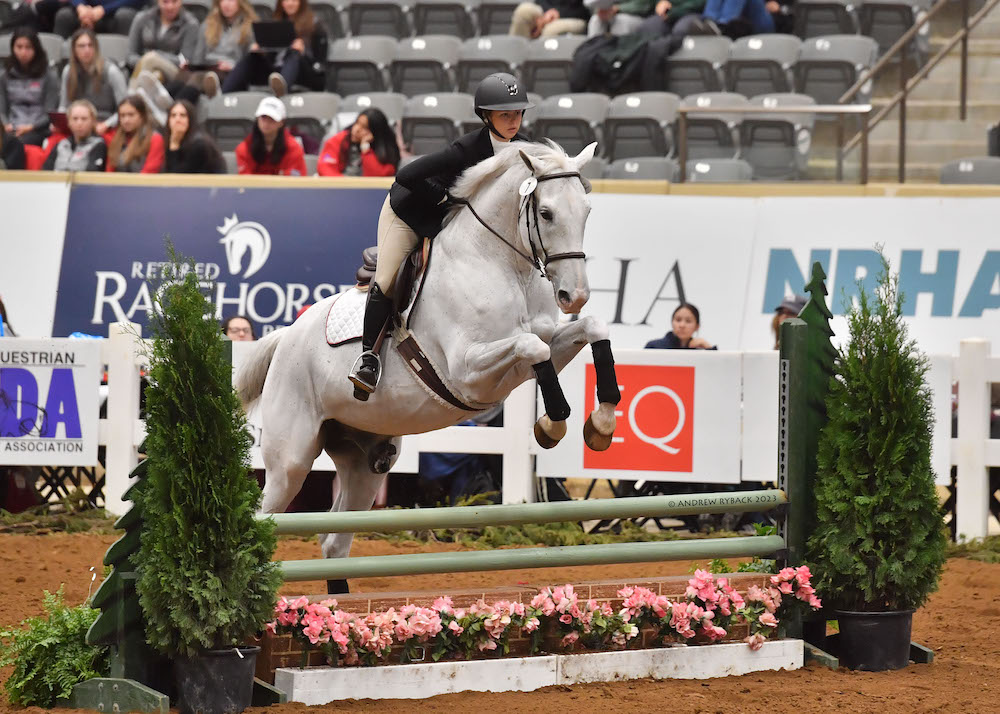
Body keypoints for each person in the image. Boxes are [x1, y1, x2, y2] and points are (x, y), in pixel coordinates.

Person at [348, 72, 533, 395]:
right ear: (486, 117)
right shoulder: (466, 148)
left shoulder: (523, 148)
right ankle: (368, 359)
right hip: (410, 213)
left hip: (457, 225)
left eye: (517, 113)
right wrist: (446, 198)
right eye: (505, 114)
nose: (513, 121)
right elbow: (407, 175)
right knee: (388, 279)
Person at [221, 0, 328, 97]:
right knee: (252, 56)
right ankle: (223, 94)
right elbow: (272, 58)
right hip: (277, 71)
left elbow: (319, 63)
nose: (290, 3)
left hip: (305, 72)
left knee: (293, 53)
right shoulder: (275, 22)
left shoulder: (315, 25)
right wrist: (262, 49)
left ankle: (280, 92)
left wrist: (303, 52)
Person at [60, 29, 128, 136]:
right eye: (81, 46)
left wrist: (107, 124)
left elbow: (125, 110)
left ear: (96, 48)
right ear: (74, 50)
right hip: (78, 125)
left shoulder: (111, 71)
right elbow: (64, 106)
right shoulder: (68, 71)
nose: (86, 50)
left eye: (90, 45)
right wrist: (60, 123)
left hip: (104, 125)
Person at [0, 28, 60, 147]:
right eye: (19, 47)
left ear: (35, 49)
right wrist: (6, 125)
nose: (23, 52)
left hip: (38, 129)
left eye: (28, 47)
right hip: (11, 127)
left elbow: (50, 112)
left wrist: (31, 127)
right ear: (13, 48)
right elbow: (2, 108)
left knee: (17, 144)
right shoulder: (4, 75)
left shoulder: (49, 75)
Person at [197, 0, 260, 98]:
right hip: (209, 67)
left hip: (231, 72)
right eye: (222, 0)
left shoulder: (250, 26)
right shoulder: (208, 24)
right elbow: (198, 57)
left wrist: (233, 67)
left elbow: (250, 62)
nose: (226, 4)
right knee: (185, 77)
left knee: (200, 78)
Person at [127, 0, 200, 82]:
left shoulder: (190, 24)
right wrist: (145, 61)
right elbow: (131, 56)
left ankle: (133, 92)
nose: (170, 7)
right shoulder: (142, 18)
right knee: (155, 74)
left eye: (174, 1)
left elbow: (185, 61)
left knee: (151, 59)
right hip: (143, 68)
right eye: (165, 2)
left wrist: (155, 56)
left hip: (174, 73)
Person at [235, 96, 307, 175]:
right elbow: (245, 181)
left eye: (272, 118)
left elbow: (296, 181)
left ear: (281, 122)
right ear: (257, 119)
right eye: (263, 117)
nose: (266, 123)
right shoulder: (244, 148)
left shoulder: (294, 148)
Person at [317, 108, 399, 177]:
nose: (356, 129)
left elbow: (376, 178)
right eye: (357, 123)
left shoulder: (387, 151)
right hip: (340, 190)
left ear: (375, 133)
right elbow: (325, 168)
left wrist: (366, 150)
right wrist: (346, 185)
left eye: (364, 127)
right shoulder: (340, 139)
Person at [161, 98, 225, 173]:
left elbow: (178, 176)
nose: (177, 119)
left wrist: (174, 145)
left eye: (183, 115)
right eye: (173, 115)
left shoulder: (200, 144)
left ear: (190, 120)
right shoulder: (169, 140)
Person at [42, 98, 107, 170]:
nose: (79, 123)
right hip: (56, 181)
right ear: (68, 122)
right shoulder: (61, 144)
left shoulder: (98, 145)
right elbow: (45, 171)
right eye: (75, 119)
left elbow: (93, 173)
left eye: (84, 119)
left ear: (93, 121)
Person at [107, 95, 165, 172]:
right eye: (122, 116)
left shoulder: (155, 139)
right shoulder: (115, 138)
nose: (126, 120)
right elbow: (109, 171)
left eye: (131, 115)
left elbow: (150, 171)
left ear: (142, 116)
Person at [50, 0, 144, 38]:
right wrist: (81, 7)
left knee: (124, 16)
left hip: (114, 13)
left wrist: (104, 10)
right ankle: (58, 65)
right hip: (87, 11)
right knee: (64, 16)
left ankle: (125, 66)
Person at [645, 302, 716, 350]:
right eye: (678, 320)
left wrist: (708, 348)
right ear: (672, 322)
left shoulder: (700, 349)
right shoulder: (654, 347)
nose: (682, 325)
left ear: (697, 326)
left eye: (688, 321)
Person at [509, 0, 589, 38]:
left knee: (550, 30)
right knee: (523, 11)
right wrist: (545, 16)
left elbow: (586, 8)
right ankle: (515, 61)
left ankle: (540, 63)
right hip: (546, 11)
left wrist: (558, 14)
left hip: (574, 16)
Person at [584, 0, 656, 36]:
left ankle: (619, 59)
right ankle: (592, 56)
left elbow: (644, 5)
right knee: (595, 19)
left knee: (621, 20)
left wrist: (618, 8)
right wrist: (600, 11)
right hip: (611, 13)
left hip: (640, 17)